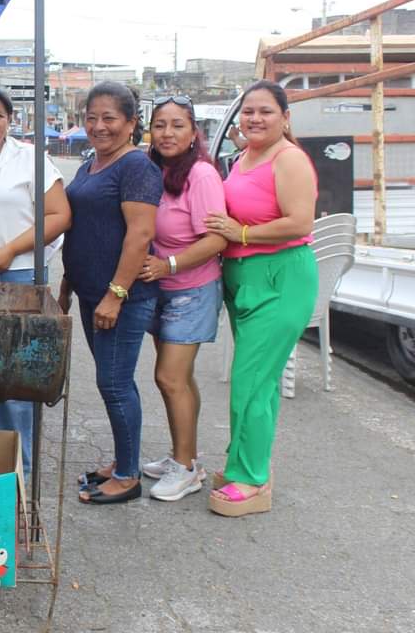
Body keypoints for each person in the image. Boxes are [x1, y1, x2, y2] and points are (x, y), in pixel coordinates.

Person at [203, 80, 318, 517]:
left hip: (279, 278)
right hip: (246, 279)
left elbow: (300, 222)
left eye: (265, 111)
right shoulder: (248, 156)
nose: (254, 118)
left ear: (285, 118)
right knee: (260, 383)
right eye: (248, 111)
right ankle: (247, 465)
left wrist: (242, 233)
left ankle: (251, 480)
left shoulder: (289, 159)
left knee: (249, 381)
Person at [0, 82, 71, 474]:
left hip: (19, 276)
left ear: (9, 120)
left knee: (14, 381)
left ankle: (17, 476)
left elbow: (59, 215)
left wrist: (11, 249)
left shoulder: (29, 159)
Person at [58, 82, 162, 505]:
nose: (99, 126)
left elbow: (140, 235)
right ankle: (124, 461)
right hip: (90, 293)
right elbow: (79, 227)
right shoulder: (91, 165)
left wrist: (116, 295)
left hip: (121, 299)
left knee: (115, 384)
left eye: (110, 118)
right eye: (91, 118)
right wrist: (67, 283)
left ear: (131, 123)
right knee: (111, 382)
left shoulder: (136, 167)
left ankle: (127, 476)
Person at [136, 95, 227, 502]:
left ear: (193, 133)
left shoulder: (201, 174)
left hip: (192, 290)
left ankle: (186, 469)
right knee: (181, 379)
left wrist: (168, 265)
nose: (167, 133)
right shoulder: (154, 170)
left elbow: (216, 239)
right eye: (159, 125)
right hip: (160, 289)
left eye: (177, 125)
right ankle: (184, 456)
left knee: (169, 377)